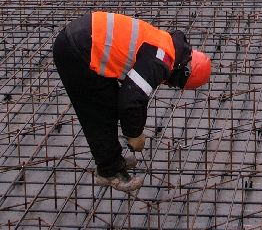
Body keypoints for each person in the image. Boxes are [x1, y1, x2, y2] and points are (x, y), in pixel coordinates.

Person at [51, 11, 212, 192]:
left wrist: (135, 129)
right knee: (100, 112)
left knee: (109, 102)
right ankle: (109, 171)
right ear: (183, 74)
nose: (170, 85)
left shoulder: (166, 45)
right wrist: (134, 134)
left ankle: (113, 160)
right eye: (177, 84)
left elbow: (133, 93)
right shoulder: (160, 60)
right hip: (77, 49)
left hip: (84, 38)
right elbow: (131, 99)